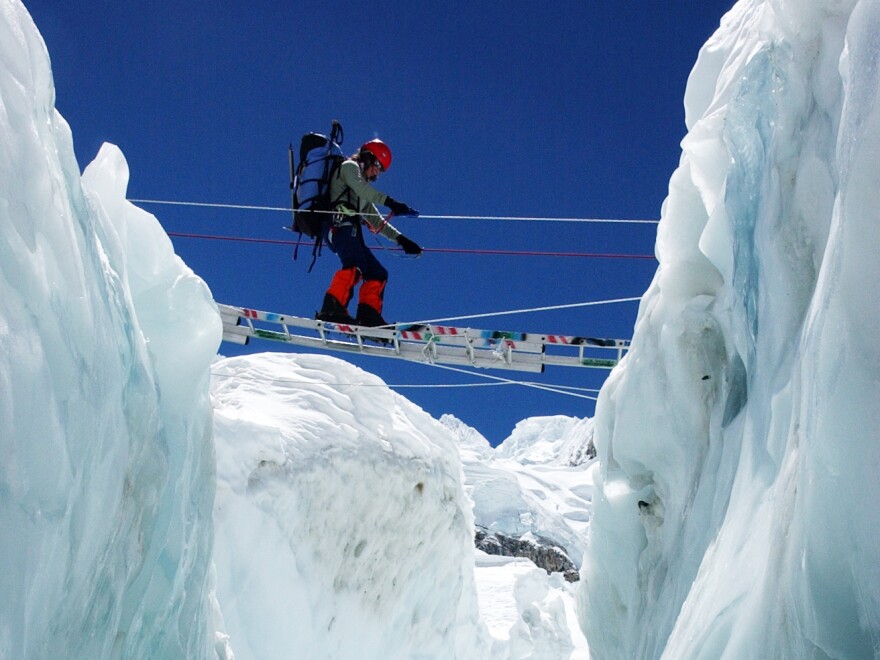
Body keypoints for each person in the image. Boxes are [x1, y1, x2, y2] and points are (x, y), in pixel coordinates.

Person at [316, 138, 421, 327]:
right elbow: (364, 191)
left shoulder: (362, 193)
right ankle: (332, 307)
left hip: (351, 229)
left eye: (381, 169)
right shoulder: (349, 168)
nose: (377, 171)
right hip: (338, 224)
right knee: (355, 263)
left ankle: (368, 314)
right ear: (367, 157)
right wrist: (391, 202)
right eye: (377, 165)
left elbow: (376, 221)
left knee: (377, 272)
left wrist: (402, 240)